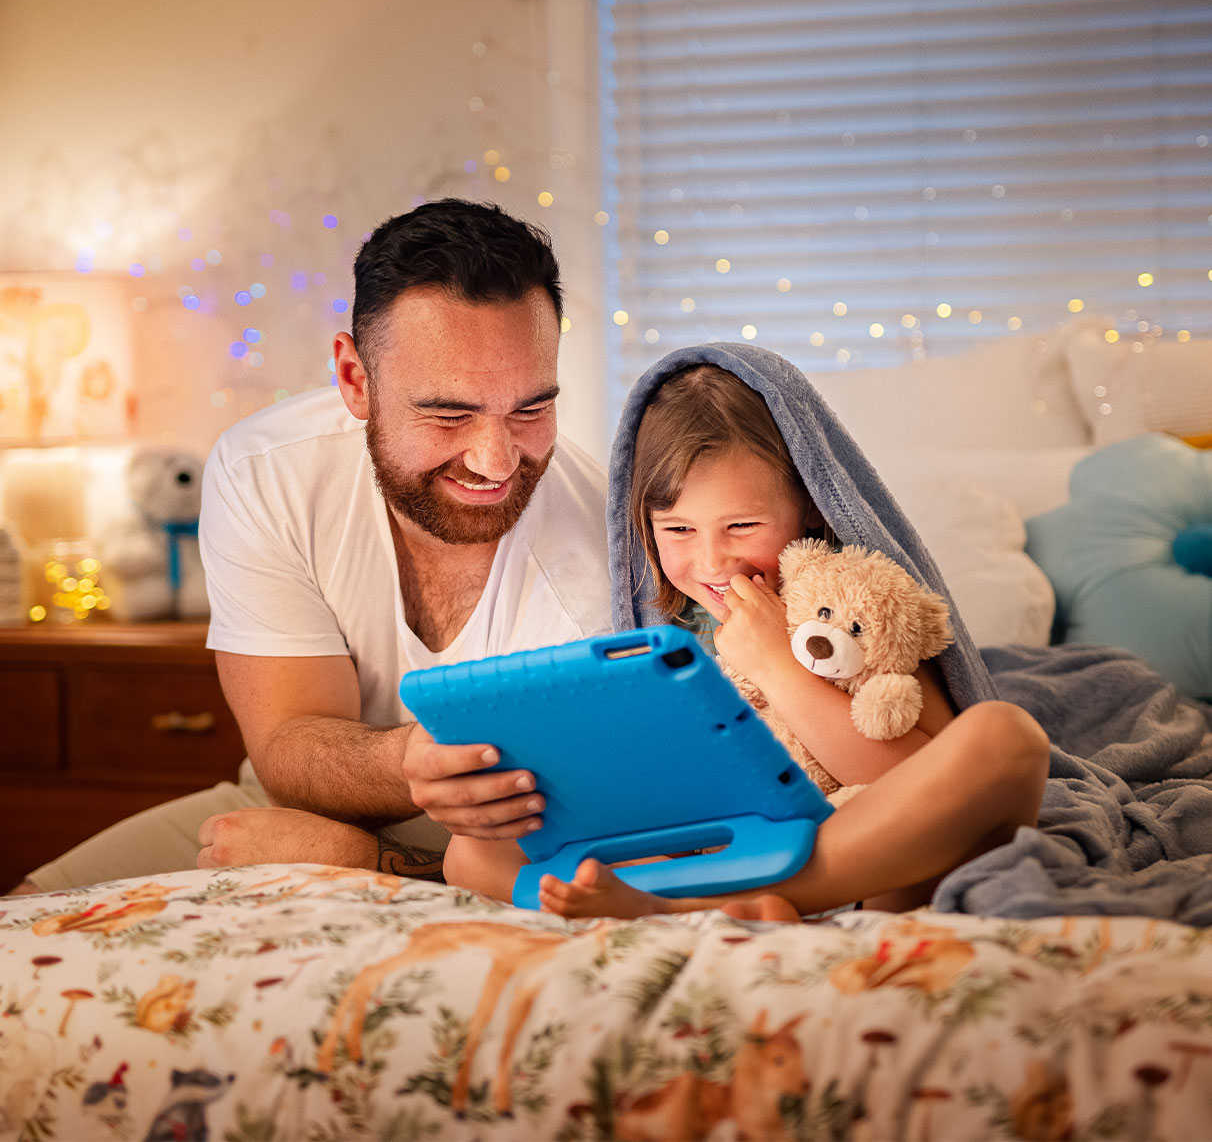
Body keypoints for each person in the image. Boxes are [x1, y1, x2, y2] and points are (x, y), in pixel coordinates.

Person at [12, 199, 613, 895]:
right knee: (28, 919)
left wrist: (361, 866)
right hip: (290, 803)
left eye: (531, 409)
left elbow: (601, 868)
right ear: (355, 380)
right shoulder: (267, 469)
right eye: (449, 414)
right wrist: (410, 763)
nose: (496, 460)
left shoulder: (603, 546)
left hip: (503, 844)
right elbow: (288, 740)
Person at [442, 346, 1051, 920]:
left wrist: (776, 668)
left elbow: (923, 771)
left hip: (856, 854)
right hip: (715, 848)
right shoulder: (668, 628)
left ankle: (698, 909)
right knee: (469, 850)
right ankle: (692, 896)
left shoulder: (846, 603)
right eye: (677, 530)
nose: (711, 563)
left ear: (811, 507)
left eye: (741, 524)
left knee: (1005, 738)